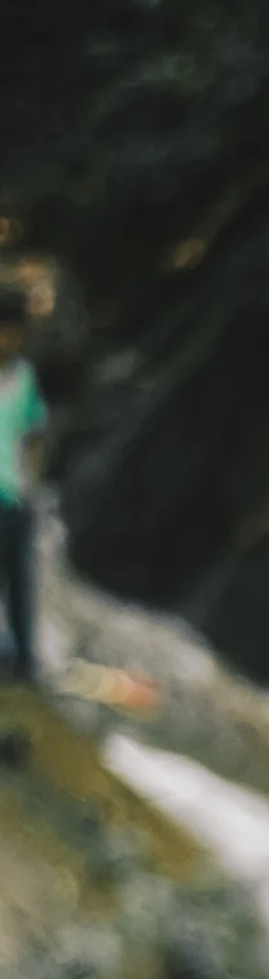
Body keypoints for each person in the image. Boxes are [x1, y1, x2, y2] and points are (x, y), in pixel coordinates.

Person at [0, 285, 45, 684]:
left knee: (19, 586)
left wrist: (30, 487)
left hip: (14, 499)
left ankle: (25, 665)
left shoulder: (24, 376)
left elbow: (34, 433)